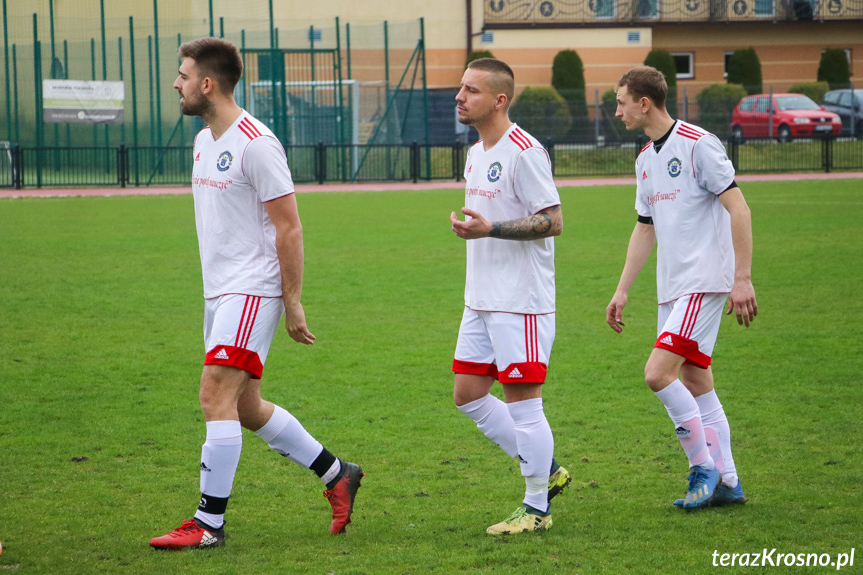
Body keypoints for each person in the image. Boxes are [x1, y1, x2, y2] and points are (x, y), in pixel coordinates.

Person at [150, 38, 363, 550]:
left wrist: (291, 300)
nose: (176, 85)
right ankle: (338, 473)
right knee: (245, 407)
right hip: (219, 294)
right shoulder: (205, 141)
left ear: (207, 84)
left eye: (182, 76)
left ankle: (208, 524)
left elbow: (289, 228)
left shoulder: (256, 143)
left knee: (212, 395)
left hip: (253, 289)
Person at [605, 65, 757, 509]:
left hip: (703, 281)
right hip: (672, 288)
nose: (618, 112)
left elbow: (740, 209)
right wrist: (622, 289)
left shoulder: (698, 145)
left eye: (620, 102)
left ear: (644, 102)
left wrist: (742, 278)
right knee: (695, 379)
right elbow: (644, 228)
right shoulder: (645, 159)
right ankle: (728, 482)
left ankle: (703, 467)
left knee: (657, 374)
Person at [449, 58, 571, 535]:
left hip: (520, 301)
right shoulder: (477, 151)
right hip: (479, 298)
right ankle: (550, 469)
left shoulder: (525, 152)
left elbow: (553, 220)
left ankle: (536, 507)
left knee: (524, 404)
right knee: (468, 395)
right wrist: (477, 229)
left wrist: (491, 229)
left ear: (500, 100)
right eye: (461, 88)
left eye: (471, 90)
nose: (459, 97)